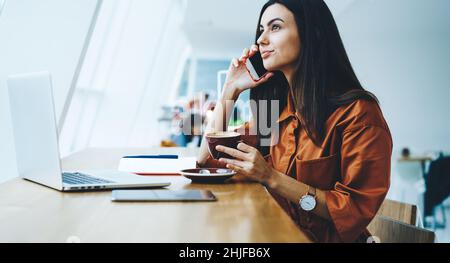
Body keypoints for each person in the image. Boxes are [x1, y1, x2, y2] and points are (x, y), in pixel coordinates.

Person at [197, 0, 392, 243]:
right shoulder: (277, 110)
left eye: (275, 27)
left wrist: (270, 176)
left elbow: (353, 209)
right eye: (261, 30)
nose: (261, 40)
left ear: (313, 34)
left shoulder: (359, 114)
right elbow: (206, 158)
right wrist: (230, 90)